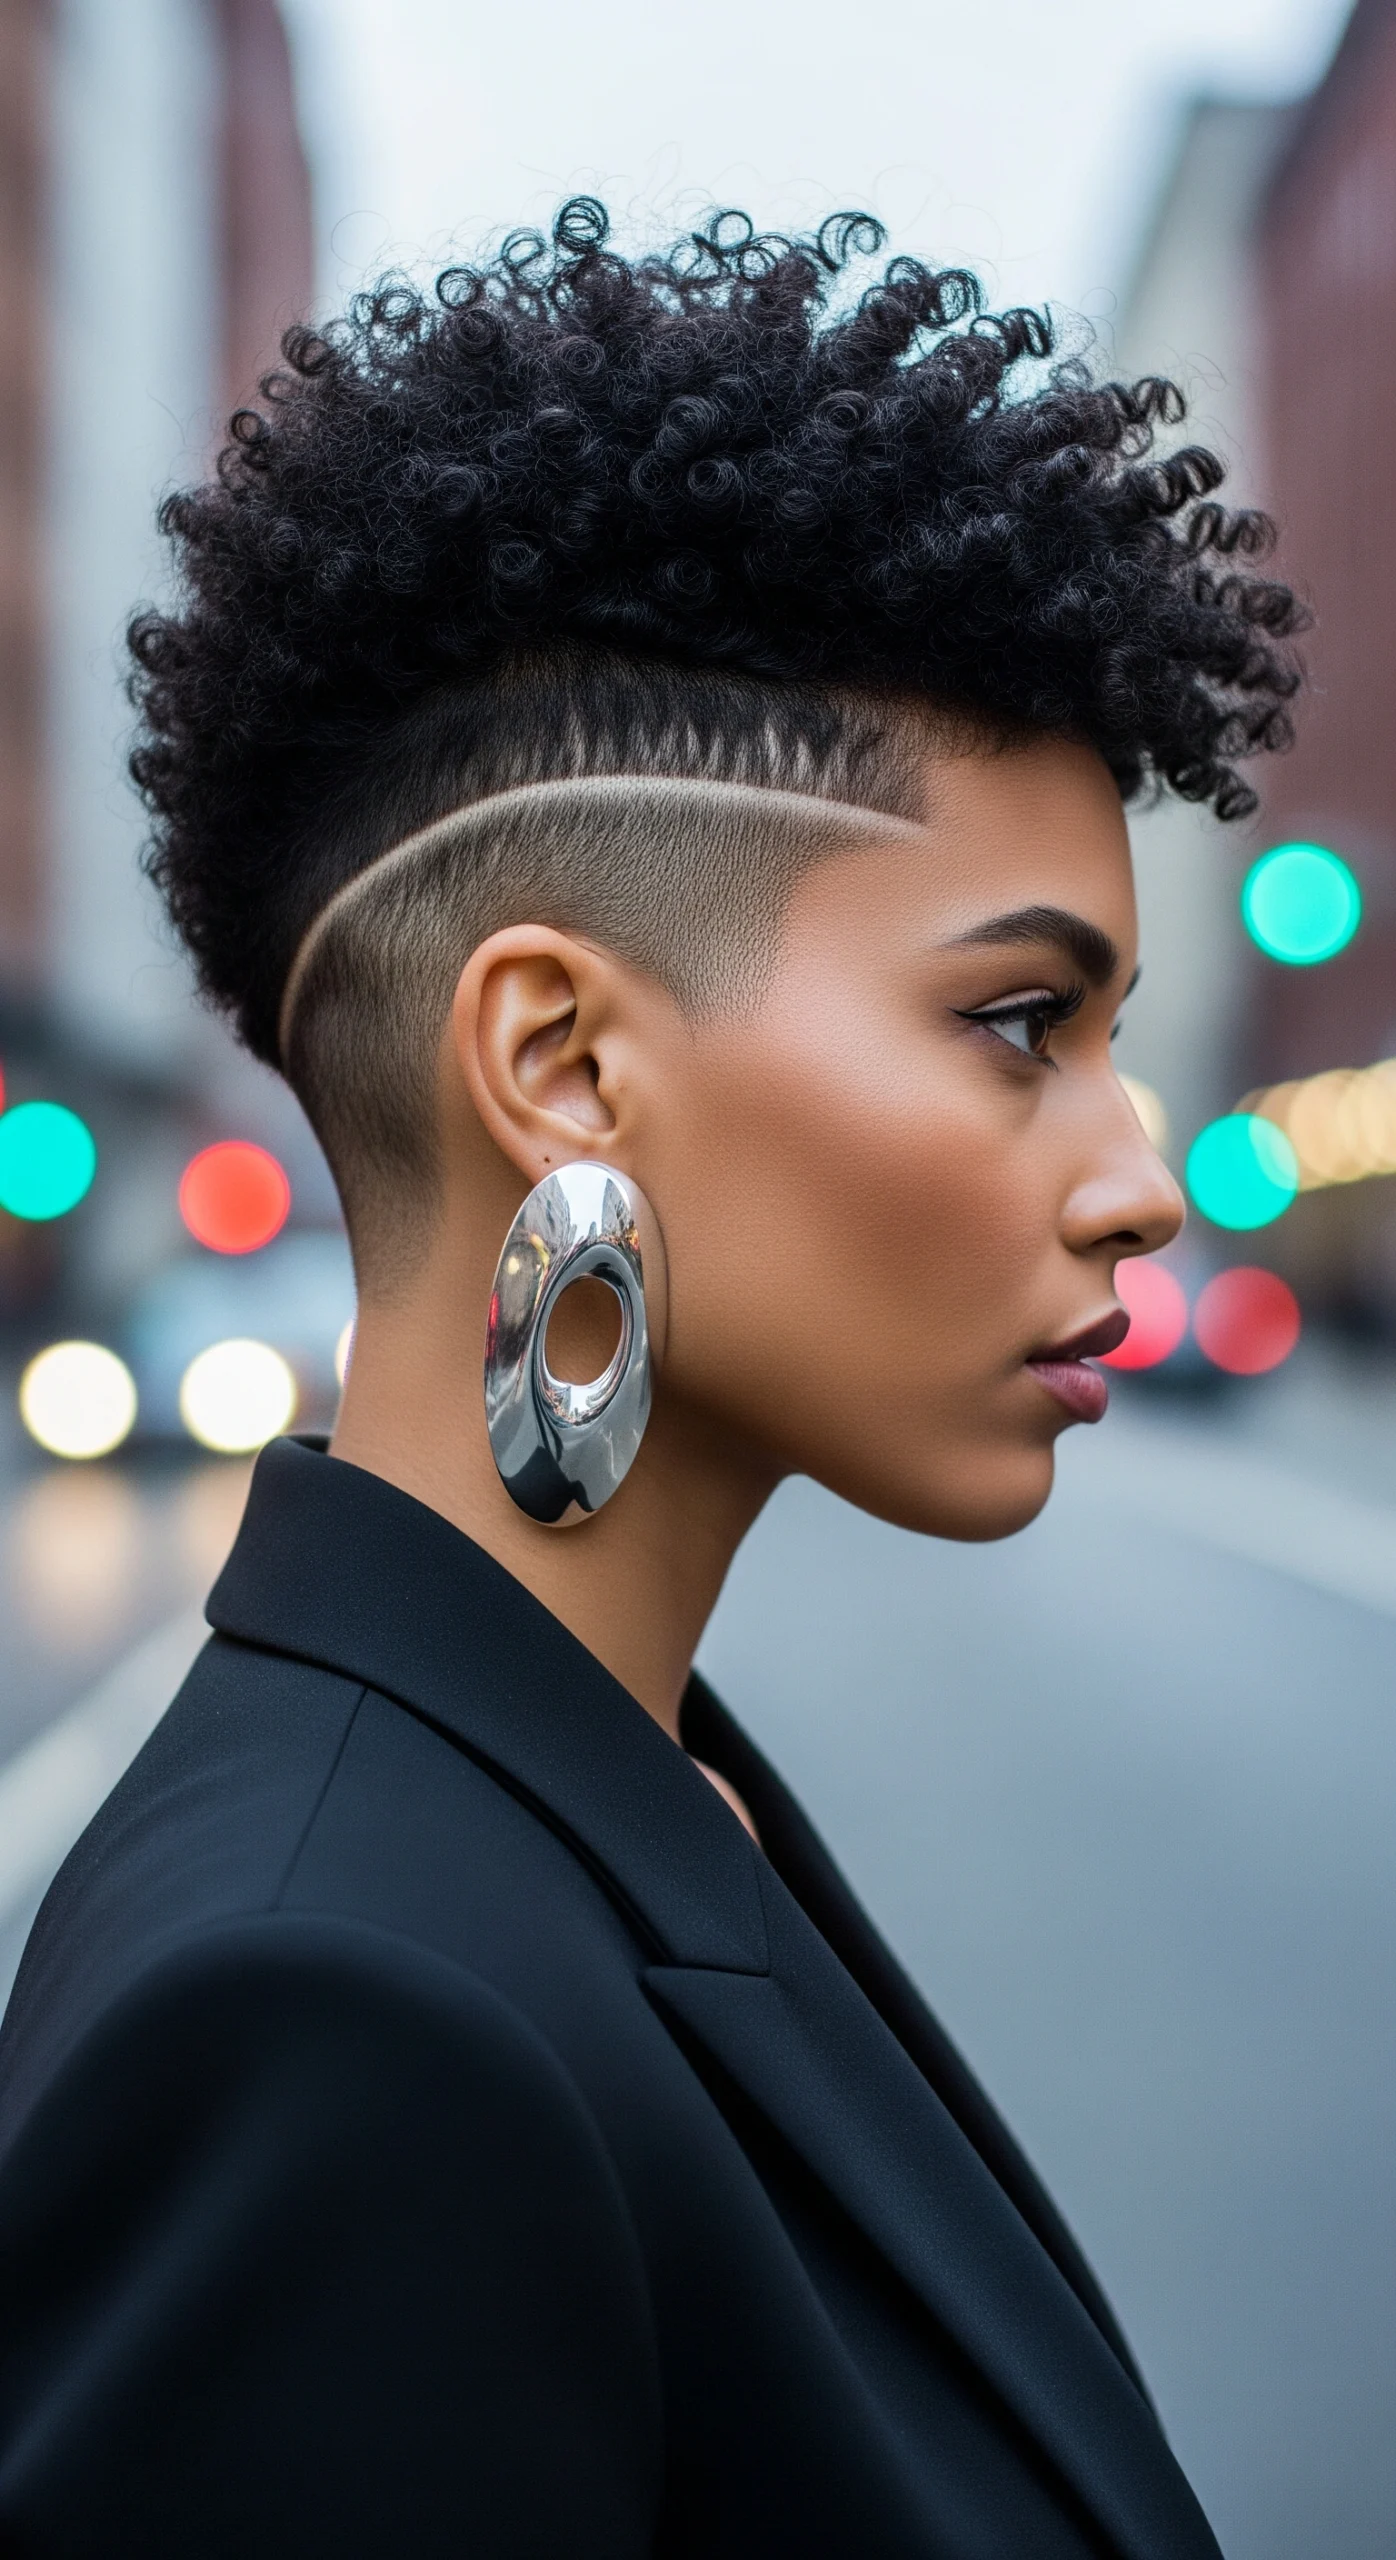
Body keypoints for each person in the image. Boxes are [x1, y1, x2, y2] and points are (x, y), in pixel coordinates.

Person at [0, 203, 1302, 2555]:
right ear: (562, 1058)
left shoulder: (604, 1794)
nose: (1136, 1181)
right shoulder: (333, 2028)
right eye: (1017, 1020)